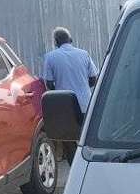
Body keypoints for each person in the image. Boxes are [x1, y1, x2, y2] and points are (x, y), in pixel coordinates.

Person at [42, 27, 98, 163]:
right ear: (71, 40)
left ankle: (74, 166)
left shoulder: (50, 57)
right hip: (85, 103)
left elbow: (48, 83)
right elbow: (93, 78)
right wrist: (83, 88)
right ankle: (90, 164)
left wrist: (59, 93)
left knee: (69, 140)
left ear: (55, 42)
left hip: (65, 107)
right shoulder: (84, 54)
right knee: (87, 137)